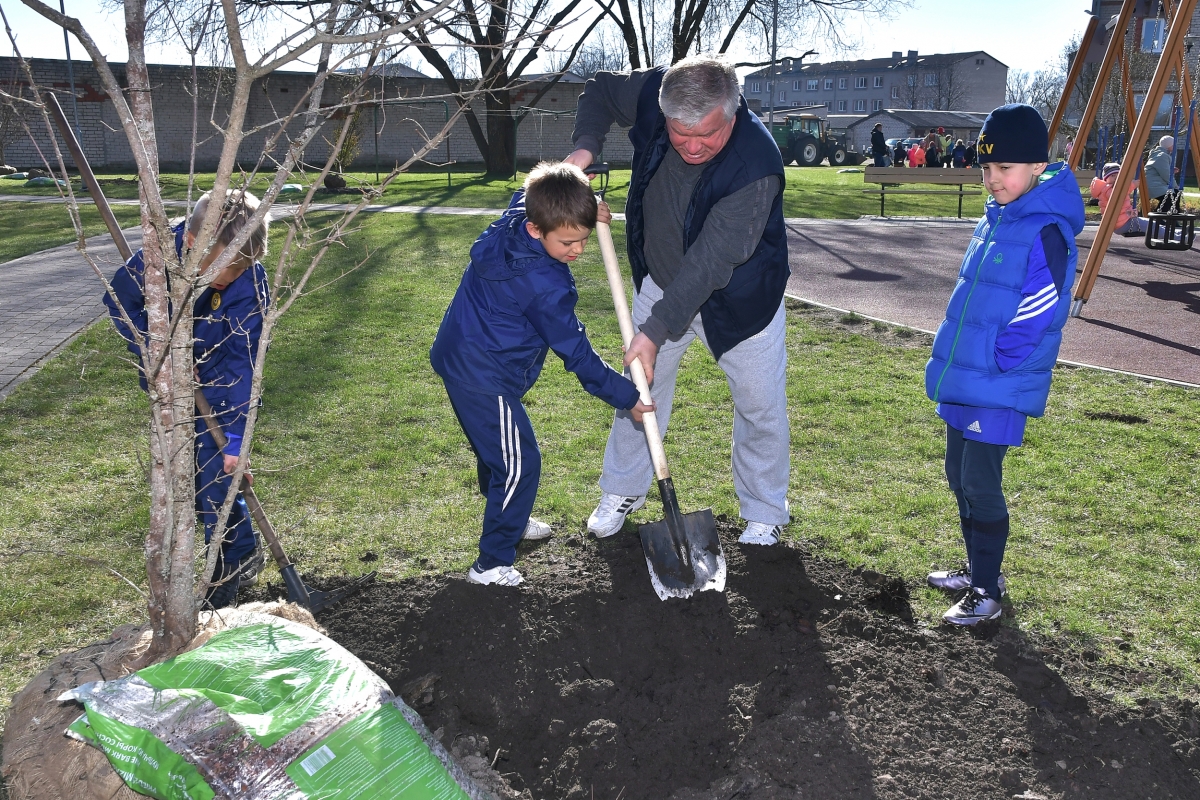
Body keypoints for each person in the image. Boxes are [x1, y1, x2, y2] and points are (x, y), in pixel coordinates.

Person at [564, 54, 792, 546]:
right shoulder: (653, 94)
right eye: (678, 132)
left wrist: (653, 330)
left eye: (706, 134)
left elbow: (711, 264)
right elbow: (600, 90)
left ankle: (765, 509)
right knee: (638, 393)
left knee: (760, 407)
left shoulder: (756, 164)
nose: (690, 145)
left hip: (740, 300)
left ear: (732, 113)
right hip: (662, 280)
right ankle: (622, 490)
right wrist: (584, 149)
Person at [429, 163, 653, 586]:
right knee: (519, 461)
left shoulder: (516, 217)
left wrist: (586, 198)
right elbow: (577, 354)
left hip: (464, 353)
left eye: (584, 238)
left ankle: (508, 517)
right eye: (568, 241)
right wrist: (627, 397)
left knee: (497, 452)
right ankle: (491, 563)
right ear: (537, 231)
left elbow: (531, 190)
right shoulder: (543, 284)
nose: (579, 250)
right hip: (482, 371)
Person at [924, 104, 1085, 625]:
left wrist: (998, 361)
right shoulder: (994, 220)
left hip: (997, 381)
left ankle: (987, 592)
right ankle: (976, 569)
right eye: (987, 169)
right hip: (968, 377)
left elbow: (1040, 308)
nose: (993, 179)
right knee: (956, 472)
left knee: (979, 481)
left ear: (1038, 166)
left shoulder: (1045, 230)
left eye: (1005, 169)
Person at [103, 190, 270, 609]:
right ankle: (239, 550)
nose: (230, 277)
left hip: (217, 381)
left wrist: (236, 439)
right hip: (170, 380)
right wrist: (158, 349)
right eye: (225, 267)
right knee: (187, 477)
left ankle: (233, 558)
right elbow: (119, 301)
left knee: (216, 474)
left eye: (241, 269)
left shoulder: (248, 281)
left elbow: (242, 363)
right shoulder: (158, 255)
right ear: (193, 243)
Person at [1089, 162, 1147, 236]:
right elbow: (1117, 195)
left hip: (1123, 220)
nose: (1116, 178)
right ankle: (1166, 235)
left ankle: (1165, 234)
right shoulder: (1107, 188)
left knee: (1150, 224)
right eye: (1113, 176)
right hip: (1122, 223)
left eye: (1118, 176)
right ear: (1106, 179)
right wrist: (1131, 185)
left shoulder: (1110, 188)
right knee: (1152, 226)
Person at [1143, 135, 1175, 208]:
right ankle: (1160, 217)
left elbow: (1160, 169)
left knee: (1170, 196)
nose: (1175, 146)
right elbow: (1166, 174)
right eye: (1173, 144)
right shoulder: (1162, 155)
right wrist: (1175, 186)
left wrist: (1170, 169)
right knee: (1171, 196)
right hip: (1153, 185)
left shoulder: (1158, 154)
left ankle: (1157, 215)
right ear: (1168, 145)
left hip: (1151, 183)